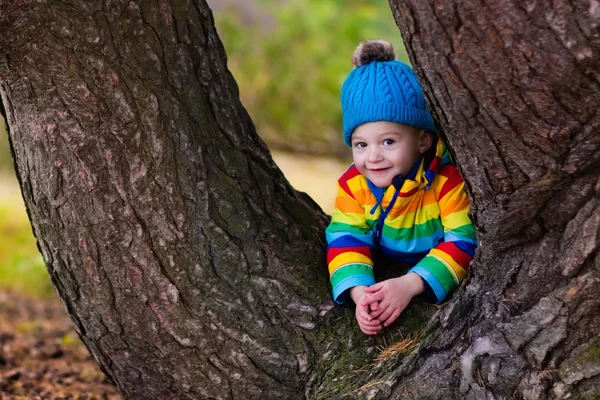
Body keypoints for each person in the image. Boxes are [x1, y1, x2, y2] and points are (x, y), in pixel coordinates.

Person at [326, 39, 477, 335]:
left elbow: (463, 240)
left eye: (388, 141)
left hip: (427, 269)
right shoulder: (355, 186)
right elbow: (346, 238)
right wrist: (361, 295)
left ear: (423, 140)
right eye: (361, 144)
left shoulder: (445, 182)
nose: (373, 156)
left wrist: (410, 284)